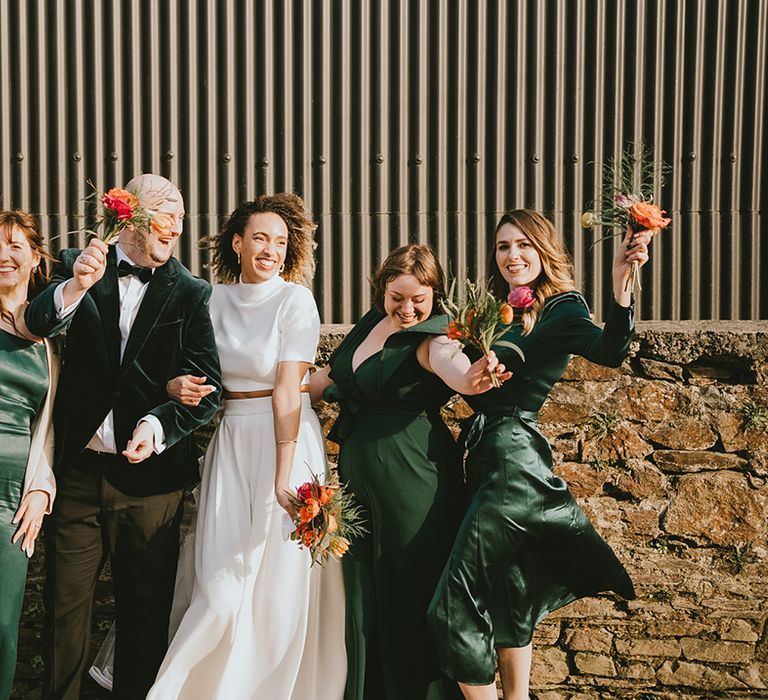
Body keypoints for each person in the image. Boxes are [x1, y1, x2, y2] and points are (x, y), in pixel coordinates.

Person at [427, 209, 651, 700]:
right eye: (504, 247)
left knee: (453, 605)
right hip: (489, 458)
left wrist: (620, 283)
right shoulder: (490, 313)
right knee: (512, 595)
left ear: (544, 251)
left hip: (513, 461)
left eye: (524, 245)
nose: (513, 256)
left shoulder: (561, 307)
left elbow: (611, 350)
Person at [25, 174, 221, 700]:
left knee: (143, 616)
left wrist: (158, 421)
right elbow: (36, 324)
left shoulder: (191, 292)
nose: (177, 227)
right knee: (64, 616)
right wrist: (75, 286)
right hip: (79, 475)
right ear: (130, 215)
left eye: (182, 216)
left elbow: (209, 387)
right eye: (167, 214)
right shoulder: (74, 265)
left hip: (152, 485)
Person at [147, 193, 346, 700]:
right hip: (231, 440)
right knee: (218, 583)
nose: (270, 250)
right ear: (236, 242)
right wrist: (175, 387)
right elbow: (179, 368)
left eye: (280, 242)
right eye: (260, 238)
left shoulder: (295, 300)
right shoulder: (209, 298)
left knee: (278, 582)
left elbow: (288, 389)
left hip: (287, 442)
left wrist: (284, 474)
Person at [310, 244, 510, 700]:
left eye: (418, 298)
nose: (407, 308)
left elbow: (456, 371)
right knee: (367, 594)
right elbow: (328, 378)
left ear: (435, 294)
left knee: (410, 589)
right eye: (396, 296)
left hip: (412, 478)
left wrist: (476, 375)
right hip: (362, 484)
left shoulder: (435, 336)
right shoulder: (370, 324)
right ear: (382, 288)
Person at [0, 210, 58, 699]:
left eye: (16, 246)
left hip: (13, 498)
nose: (4, 256)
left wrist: (41, 488)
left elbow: (50, 425)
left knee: (2, 627)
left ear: (35, 259)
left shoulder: (50, 342)